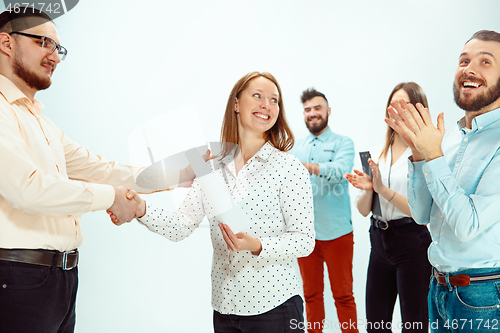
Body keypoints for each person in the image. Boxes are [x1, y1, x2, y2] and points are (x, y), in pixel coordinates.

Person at [0, 8, 197, 333]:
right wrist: (112, 198)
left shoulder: (42, 122)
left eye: (59, 49)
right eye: (45, 42)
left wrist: (177, 174)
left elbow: (100, 169)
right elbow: (28, 189)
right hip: (18, 279)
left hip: (59, 280)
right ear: (6, 43)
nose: (55, 57)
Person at [120, 72, 315, 333]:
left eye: (274, 100)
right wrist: (141, 210)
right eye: (257, 96)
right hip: (225, 308)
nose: (266, 105)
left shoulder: (289, 168)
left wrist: (257, 245)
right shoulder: (210, 167)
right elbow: (181, 225)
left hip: (274, 308)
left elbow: (304, 240)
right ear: (236, 103)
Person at [387, 30, 500, 331]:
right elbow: (423, 214)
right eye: (464, 60)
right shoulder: (447, 137)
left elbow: (466, 226)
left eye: (485, 61)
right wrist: (419, 152)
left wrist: (433, 155)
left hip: (483, 296)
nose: (469, 68)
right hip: (438, 289)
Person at [344, 82, 432, 332]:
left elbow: (421, 214)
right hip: (379, 241)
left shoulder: (425, 154)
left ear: (417, 109)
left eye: (402, 104)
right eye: (392, 104)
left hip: (412, 243)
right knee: (376, 324)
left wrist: (383, 189)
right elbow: (363, 211)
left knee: (414, 325)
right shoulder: (378, 153)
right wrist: (370, 189)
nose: (396, 110)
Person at [290, 88, 358, 333]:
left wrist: (307, 166)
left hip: (337, 233)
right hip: (305, 235)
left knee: (343, 296)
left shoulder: (343, 143)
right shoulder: (294, 147)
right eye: (307, 110)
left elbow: (341, 170)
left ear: (328, 111)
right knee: (310, 296)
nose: (312, 113)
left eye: (317, 108)